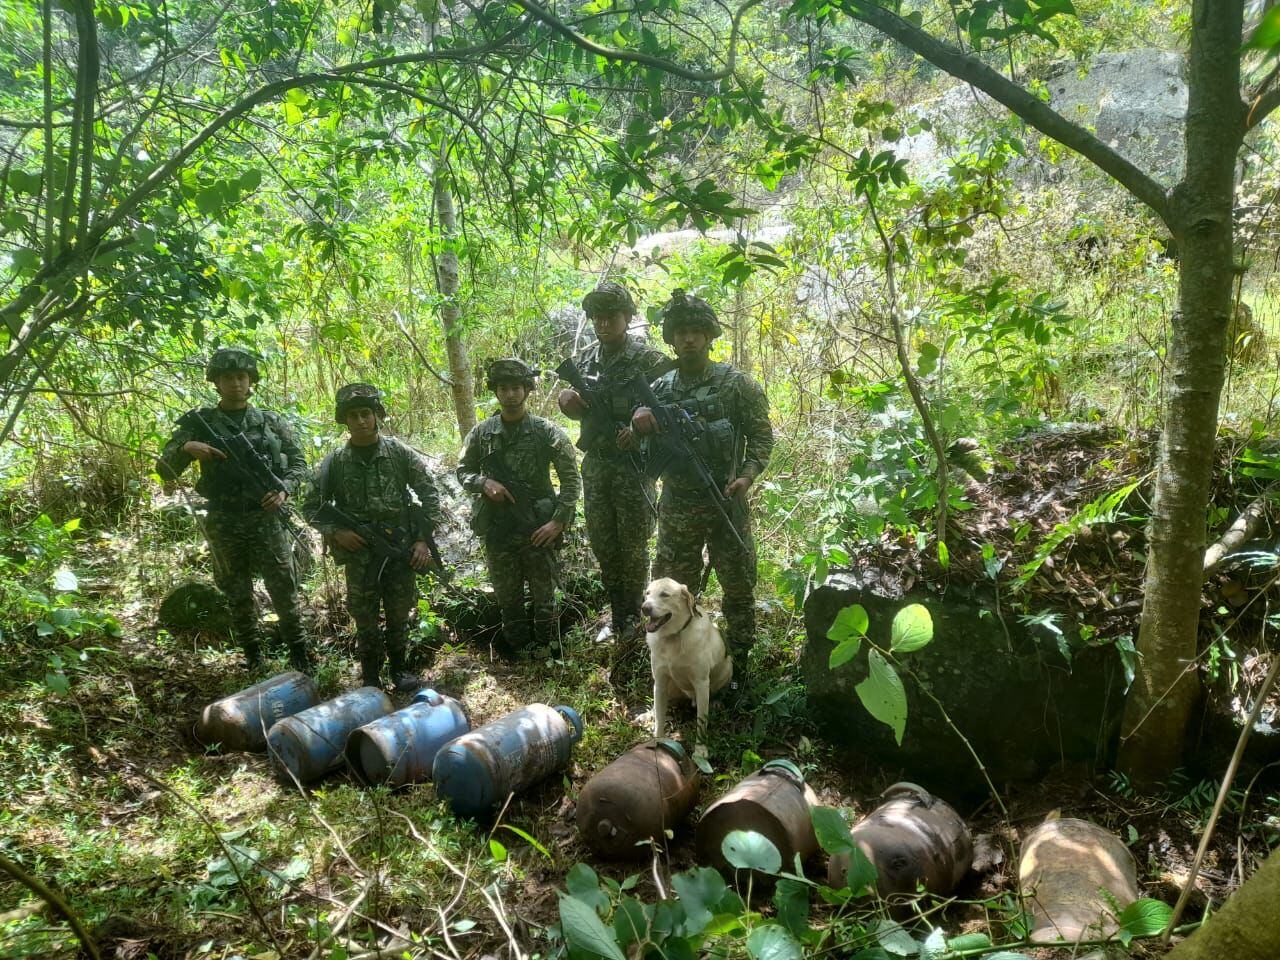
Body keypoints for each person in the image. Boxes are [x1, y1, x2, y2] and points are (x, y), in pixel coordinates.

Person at [631, 289, 773, 689]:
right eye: (681, 332)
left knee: (739, 582)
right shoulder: (660, 389)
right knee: (667, 593)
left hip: (726, 500)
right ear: (671, 338)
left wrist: (746, 476)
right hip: (678, 505)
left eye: (696, 331)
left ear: (710, 336)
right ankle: (669, 669)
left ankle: (736, 665)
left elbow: (762, 436)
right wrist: (639, 425)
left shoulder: (736, 385)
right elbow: (641, 451)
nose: (689, 339)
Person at [156, 347, 311, 671]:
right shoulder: (200, 424)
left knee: (283, 587)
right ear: (217, 382)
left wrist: (283, 490)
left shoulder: (270, 422)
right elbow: (165, 469)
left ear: (251, 380)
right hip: (224, 518)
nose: (236, 384)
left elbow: (298, 464)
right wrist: (186, 447)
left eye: (241, 377)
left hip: (265, 515)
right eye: (228, 377)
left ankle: (299, 651)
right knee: (236, 589)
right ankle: (253, 655)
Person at [303, 384, 444, 690]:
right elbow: (311, 507)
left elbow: (431, 494)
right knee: (364, 617)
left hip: (399, 549)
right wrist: (337, 532)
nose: (361, 421)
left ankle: (399, 671)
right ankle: (370, 677)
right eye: (353, 415)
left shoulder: (398, 454)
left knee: (398, 612)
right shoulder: (335, 463)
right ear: (345, 420)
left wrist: (422, 539)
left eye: (366, 413)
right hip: (359, 554)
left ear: (377, 415)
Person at [557, 281, 671, 641]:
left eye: (611, 317)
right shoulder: (588, 361)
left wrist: (642, 427)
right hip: (597, 464)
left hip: (633, 467)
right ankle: (617, 613)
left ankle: (637, 617)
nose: (603, 324)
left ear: (627, 317)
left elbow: (671, 406)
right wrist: (568, 403)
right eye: (597, 318)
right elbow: (582, 412)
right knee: (604, 543)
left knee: (633, 546)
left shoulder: (649, 360)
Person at [457, 359, 580, 658]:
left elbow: (571, 480)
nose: (510, 394)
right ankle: (517, 653)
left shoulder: (545, 431)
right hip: (499, 530)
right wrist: (484, 483)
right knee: (507, 598)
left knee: (545, 600)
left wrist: (558, 522)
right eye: (504, 388)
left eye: (516, 388)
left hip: (537, 528)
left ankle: (549, 652)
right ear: (495, 392)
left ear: (527, 390)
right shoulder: (481, 433)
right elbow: (463, 471)